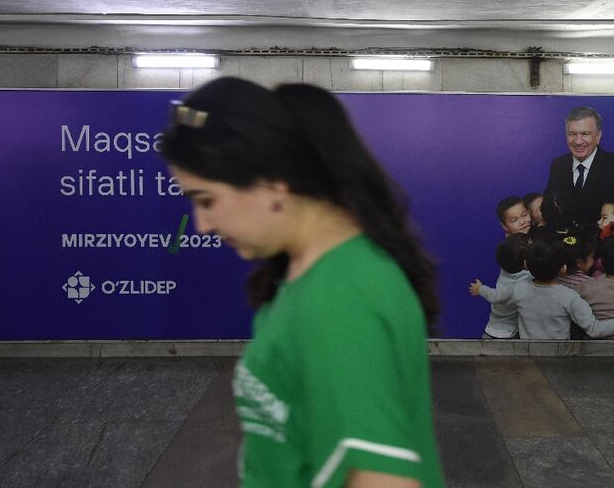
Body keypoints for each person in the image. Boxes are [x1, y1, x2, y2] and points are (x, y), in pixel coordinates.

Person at [160, 77, 444, 488]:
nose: (202, 225)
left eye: (207, 200)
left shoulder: (339, 297)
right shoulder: (316, 271)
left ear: (273, 182)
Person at [471, 236, 614, 339]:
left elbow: (496, 296)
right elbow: (594, 329)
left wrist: (480, 289)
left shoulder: (519, 289)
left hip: (528, 355)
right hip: (558, 359)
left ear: (527, 266)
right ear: (563, 268)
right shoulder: (569, 297)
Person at [544, 106, 614, 226]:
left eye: (585, 134)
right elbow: (548, 207)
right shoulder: (558, 165)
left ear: (598, 136)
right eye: (572, 134)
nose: (578, 141)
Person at [468, 233, 532, 339]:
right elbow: (495, 296)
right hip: (505, 334)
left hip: (492, 329)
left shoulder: (506, 267)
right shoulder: (520, 283)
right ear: (525, 264)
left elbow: (509, 250)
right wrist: (480, 289)